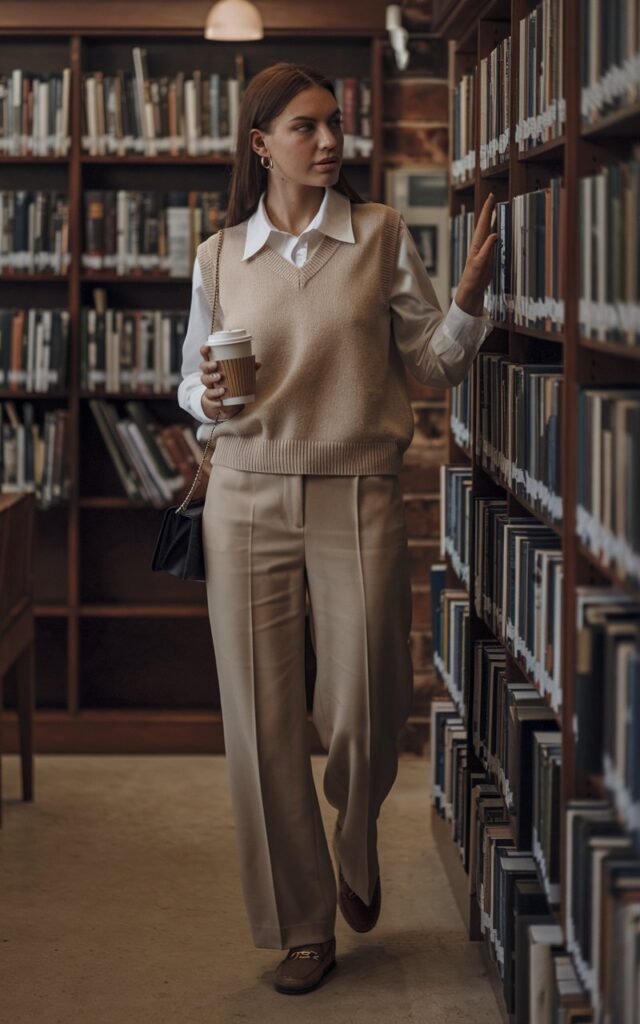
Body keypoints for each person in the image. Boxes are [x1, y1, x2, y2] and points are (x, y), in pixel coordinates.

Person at [177, 61, 496, 995]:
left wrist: (472, 294)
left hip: (357, 487)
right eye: (308, 127)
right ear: (261, 143)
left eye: (336, 125)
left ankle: (354, 842)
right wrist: (202, 397)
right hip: (242, 493)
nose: (330, 142)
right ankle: (304, 925)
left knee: (366, 703)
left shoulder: (380, 234)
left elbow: (433, 365)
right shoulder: (218, 255)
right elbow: (188, 384)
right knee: (264, 723)